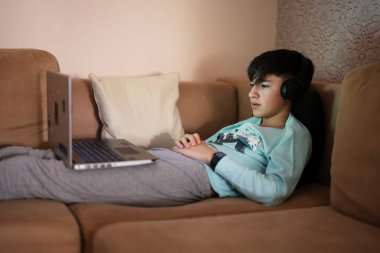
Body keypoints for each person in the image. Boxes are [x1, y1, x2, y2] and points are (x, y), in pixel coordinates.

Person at [0, 49, 313, 207]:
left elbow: (274, 192)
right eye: (252, 85)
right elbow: (213, 149)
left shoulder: (292, 135)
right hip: (168, 157)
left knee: (43, 175)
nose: (251, 93)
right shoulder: (250, 123)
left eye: (264, 85)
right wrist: (197, 145)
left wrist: (211, 157)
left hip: (193, 176)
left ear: (291, 92)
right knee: (47, 155)